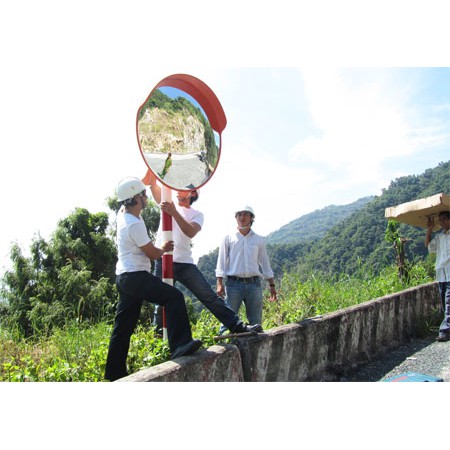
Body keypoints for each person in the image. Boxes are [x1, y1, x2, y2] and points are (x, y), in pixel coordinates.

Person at [104, 177, 202, 381]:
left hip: (124, 277)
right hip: (136, 277)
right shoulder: (134, 224)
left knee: (123, 327)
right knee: (174, 297)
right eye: (143, 194)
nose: (146, 197)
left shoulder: (124, 215)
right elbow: (152, 254)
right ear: (135, 198)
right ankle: (180, 344)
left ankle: (114, 373)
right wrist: (164, 248)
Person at [143, 170, 261, 335]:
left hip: (184, 263)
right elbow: (154, 187)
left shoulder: (197, 215)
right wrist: (152, 175)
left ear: (192, 193)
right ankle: (158, 340)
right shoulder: (168, 201)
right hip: (163, 260)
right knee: (160, 303)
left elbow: (190, 232)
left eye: (182, 187)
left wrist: (174, 212)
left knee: (208, 296)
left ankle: (237, 326)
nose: (177, 189)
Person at [216, 205, 277, 334]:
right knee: (227, 321)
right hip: (233, 284)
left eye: (245, 214)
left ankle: (255, 345)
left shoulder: (258, 240)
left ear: (251, 218)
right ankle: (224, 344)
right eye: (239, 214)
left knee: (256, 322)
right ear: (235, 218)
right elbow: (221, 261)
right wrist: (219, 283)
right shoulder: (228, 238)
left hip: (254, 284)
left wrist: (272, 285)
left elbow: (265, 263)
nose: (242, 217)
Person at [426, 210, 450, 342]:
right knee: (444, 303)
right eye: (440, 220)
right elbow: (429, 246)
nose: (442, 222)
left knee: (448, 302)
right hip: (441, 274)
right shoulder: (440, 237)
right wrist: (429, 230)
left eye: (445, 219)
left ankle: (444, 331)